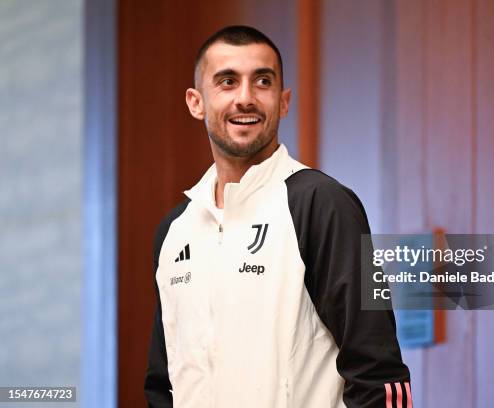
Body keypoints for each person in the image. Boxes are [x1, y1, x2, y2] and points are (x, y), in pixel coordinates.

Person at [144, 25, 412, 408]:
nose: (246, 98)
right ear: (196, 102)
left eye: (263, 81)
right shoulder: (175, 231)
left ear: (283, 101)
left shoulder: (322, 204)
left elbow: (378, 372)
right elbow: (162, 383)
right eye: (227, 81)